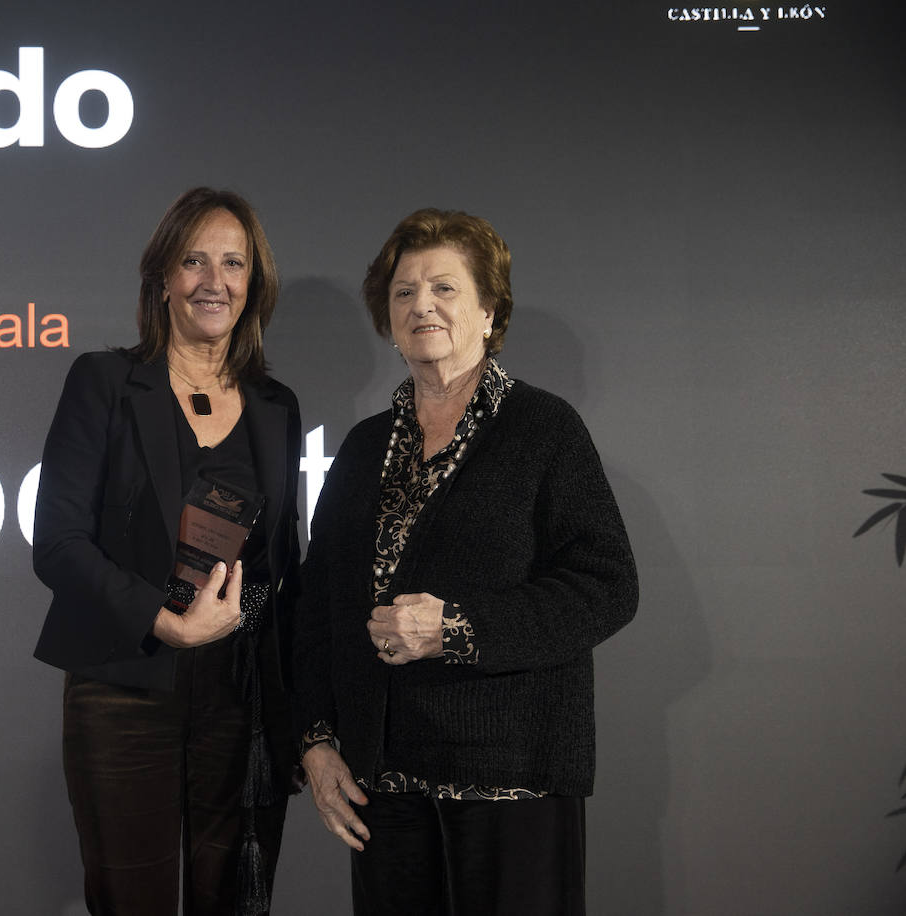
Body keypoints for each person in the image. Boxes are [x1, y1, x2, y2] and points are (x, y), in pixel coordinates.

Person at [292, 208, 639, 915]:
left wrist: (456, 628)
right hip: (383, 785)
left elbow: (608, 586)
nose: (422, 304)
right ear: (388, 321)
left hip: (510, 775)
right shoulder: (362, 449)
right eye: (404, 292)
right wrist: (318, 741)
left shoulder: (545, 430)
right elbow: (318, 603)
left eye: (445, 288)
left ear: (489, 311)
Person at [33, 188, 302, 916]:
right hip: (124, 689)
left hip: (238, 698)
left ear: (254, 284)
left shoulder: (277, 407)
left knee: (233, 901)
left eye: (233, 263)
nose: (214, 281)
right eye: (194, 261)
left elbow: (284, 569)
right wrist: (166, 620)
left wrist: (294, 704)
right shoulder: (105, 382)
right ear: (162, 279)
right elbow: (56, 544)